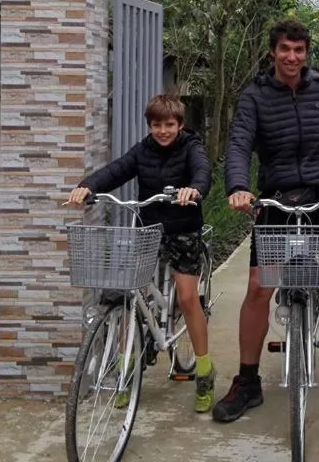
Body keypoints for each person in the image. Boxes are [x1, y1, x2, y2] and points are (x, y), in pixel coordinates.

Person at [213, 19, 319, 424]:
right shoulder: (254, 96)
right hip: (276, 197)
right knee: (257, 287)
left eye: (299, 50)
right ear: (273, 51)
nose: (292, 57)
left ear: (307, 53)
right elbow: (239, 143)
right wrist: (237, 185)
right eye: (285, 49)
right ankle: (247, 381)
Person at [67, 94, 215, 414]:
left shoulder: (191, 147)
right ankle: (127, 371)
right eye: (156, 125)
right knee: (129, 296)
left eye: (169, 125)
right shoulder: (143, 150)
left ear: (180, 125)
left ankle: (204, 371)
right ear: (149, 126)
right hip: (148, 230)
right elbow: (117, 170)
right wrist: (87, 187)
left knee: (188, 297)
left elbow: (203, 172)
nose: (162, 131)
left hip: (183, 228)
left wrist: (195, 189)